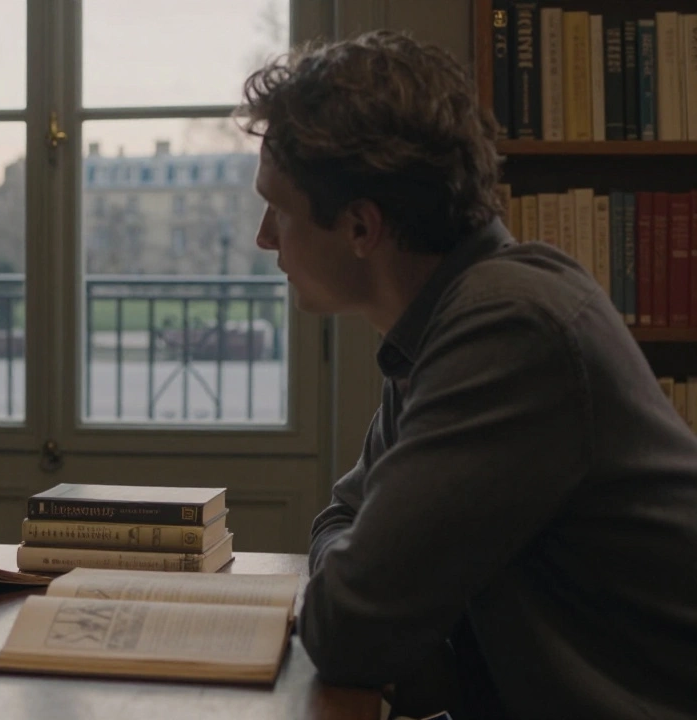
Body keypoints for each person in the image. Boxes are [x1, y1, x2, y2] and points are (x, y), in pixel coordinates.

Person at [238, 30, 697, 720]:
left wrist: (360, 576)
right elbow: (342, 523)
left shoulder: (509, 330)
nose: (265, 236)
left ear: (362, 227)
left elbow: (349, 627)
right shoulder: (450, 320)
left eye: (281, 208)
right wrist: (360, 568)